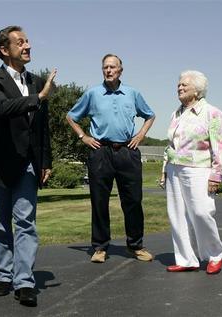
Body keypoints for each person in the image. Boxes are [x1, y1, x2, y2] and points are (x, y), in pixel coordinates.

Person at [0, 26, 56, 307]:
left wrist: (45, 160)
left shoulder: (36, 82)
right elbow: (1, 108)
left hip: (28, 165)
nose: (28, 46)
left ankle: (24, 281)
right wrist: (39, 98)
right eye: (20, 42)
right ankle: (3, 273)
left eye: (28, 41)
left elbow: (41, 128)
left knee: (25, 223)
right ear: (4, 49)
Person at [66, 54, 155, 264]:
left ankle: (136, 246)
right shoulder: (93, 94)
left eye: (112, 67)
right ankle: (99, 247)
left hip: (127, 151)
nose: (108, 70)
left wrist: (140, 135)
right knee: (99, 201)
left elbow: (150, 115)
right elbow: (71, 116)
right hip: (100, 151)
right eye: (105, 67)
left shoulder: (132, 93)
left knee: (133, 200)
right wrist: (83, 137)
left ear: (120, 70)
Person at [163, 70, 222, 274]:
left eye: (185, 85)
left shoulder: (212, 113)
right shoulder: (176, 113)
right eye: (179, 84)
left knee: (201, 212)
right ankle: (185, 259)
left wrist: (216, 174)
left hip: (199, 169)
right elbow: (171, 145)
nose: (179, 87)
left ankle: (214, 254)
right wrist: (165, 167)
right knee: (176, 215)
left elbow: (221, 146)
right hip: (174, 169)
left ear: (198, 90)